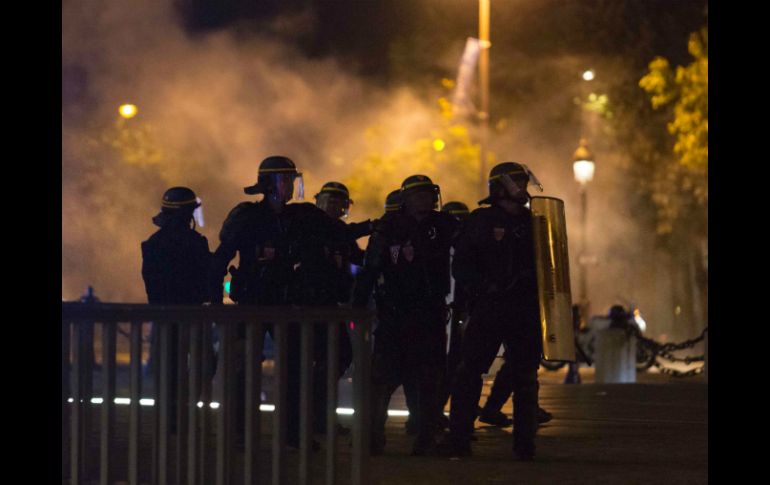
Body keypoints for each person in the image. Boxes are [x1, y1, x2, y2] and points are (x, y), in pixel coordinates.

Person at [209, 155, 348, 448]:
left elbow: (339, 232)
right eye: (284, 179)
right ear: (268, 183)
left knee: (295, 370)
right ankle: (239, 435)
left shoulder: (300, 217)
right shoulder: (247, 215)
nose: (290, 185)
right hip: (252, 302)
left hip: (286, 303)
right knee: (244, 369)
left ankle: (294, 433)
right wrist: (214, 300)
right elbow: (223, 255)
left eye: (291, 179)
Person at [439, 161, 545, 461]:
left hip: (523, 309)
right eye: (518, 182)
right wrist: (487, 285)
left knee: (525, 376)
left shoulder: (533, 221)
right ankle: (459, 438)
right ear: (501, 187)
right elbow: (461, 267)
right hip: (490, 307)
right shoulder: (481, 221)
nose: (523, 188)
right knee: (469, 372)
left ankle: (525, 444)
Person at [353, 175, 458, 456]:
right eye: (419, 195)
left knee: (429, 379)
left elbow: (469, 244)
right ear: (406, 199)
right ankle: (373, 435)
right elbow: (371, 268)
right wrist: (358, 307)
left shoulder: (443, 224)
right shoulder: (389, 227)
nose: (426, 199)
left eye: (429, 194)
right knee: (383, 379)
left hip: (430, 313)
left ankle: (425, 437)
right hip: (395, 315)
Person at [303, 181, 373, 434]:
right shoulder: (310, 226)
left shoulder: (342, 234)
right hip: (309, 305)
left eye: (338, 201)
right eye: (328, 200)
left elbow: (357, 263)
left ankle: (318, 418)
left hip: (332, 305)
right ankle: (312, 418)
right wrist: (370, 226)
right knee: (322, 361)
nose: (333, 206)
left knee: (336, 359)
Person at [141, 186, 212, 432]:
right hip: (192, 316)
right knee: (203, 363)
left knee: (169, 369)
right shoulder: (196, 243)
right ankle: (182, 413)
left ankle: (171, 419)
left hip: (165, 316)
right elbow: (207, 281)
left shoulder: (153, 244)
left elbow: (152, 284)